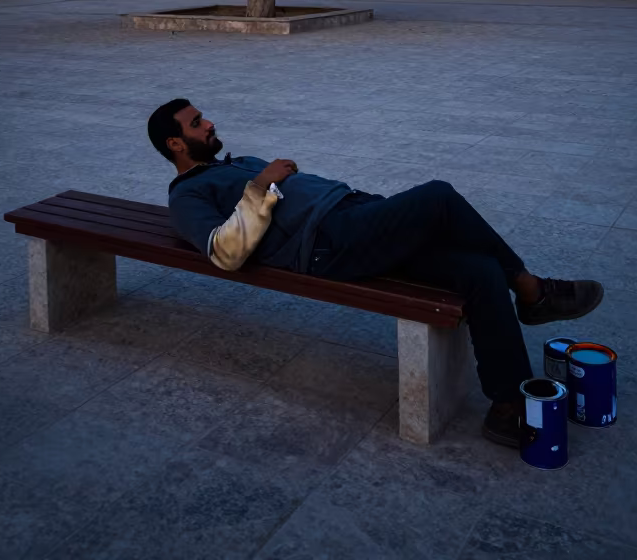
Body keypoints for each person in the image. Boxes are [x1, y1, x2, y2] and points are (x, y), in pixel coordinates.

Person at [148, 98, 604, 447]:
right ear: (175, 144)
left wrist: (271, 180)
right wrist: (261, 183)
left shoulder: (231, 162)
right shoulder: (186, 195)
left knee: (482, 271)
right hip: (330, 242)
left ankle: (507, 406)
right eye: (196, 123)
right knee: (438, 197)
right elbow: (224, 251)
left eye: (202, 118)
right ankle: (533, 291)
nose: (209, 123)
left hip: (354, 218)